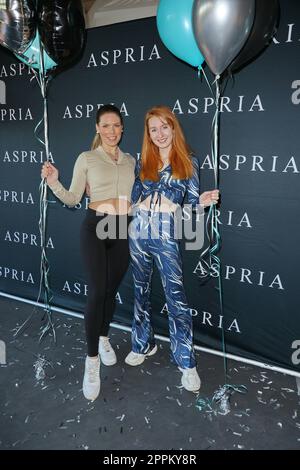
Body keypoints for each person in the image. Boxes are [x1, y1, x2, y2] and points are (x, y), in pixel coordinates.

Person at [41, 104, 135, 401]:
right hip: (95, 226)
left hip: (120, 227)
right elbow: (72, 198)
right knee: (96, 291)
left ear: (122, 129)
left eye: (117, 125)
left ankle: (104, 337)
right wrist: (54, 181)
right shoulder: (87, 158)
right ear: (97, 128)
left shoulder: (131, 160)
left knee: (110, 290)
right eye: (106, 125)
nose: (112, 131)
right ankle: (91, 360)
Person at [125, 105, 219, 392]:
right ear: (148, 134)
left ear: (173, 127)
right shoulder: (143, 161)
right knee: (139, 292)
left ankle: (186, 362)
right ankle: (142, 343)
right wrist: (143, 203)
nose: (160, 134)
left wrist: (199, 203)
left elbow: (190, 210)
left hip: (166, 237)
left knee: (175, 297)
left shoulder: (189, 161)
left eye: (164, 127)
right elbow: (131, 202)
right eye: (154, 129)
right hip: (138, 233)